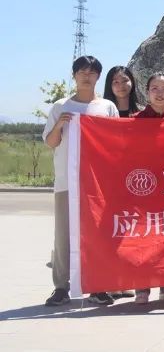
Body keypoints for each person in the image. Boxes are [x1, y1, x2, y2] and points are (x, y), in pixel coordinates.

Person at [43, 56, 119, 307]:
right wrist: (59, 125)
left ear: (98, 76)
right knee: (63, 235)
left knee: (97, 234)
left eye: (92, 72)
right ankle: (61, 287)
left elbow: (116, 142)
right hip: (67, 181)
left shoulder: (106, 107)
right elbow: (51, 142)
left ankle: (97, 285)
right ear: (74, 75)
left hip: (97, 184)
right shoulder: (61, 106)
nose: (87, 76)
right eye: (82, 72)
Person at [132, 73, 164, 304]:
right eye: (155, 88)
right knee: (142, 239)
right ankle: (141, 290)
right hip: (142, 189)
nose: (160, 93)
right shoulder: (134, 121)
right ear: (147, 92)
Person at [101, 65, 141, 299]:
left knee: (131, 231)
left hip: (136, 181)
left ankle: (126, 279)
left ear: (132, 82)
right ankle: (110, 281)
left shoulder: (141, 113)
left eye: (125, 80)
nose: (121, 85)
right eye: (115, 81)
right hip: (109, 180)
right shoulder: (102, 112)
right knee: (110, 230)